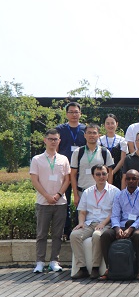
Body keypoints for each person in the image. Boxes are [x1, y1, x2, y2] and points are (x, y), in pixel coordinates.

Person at [30, 129, 70, 273]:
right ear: (45, 140)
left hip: (60, 202)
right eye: (51, 139)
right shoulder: (37, 159)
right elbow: (34, 180)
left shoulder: (63, 159)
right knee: (41, 234)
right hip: (43, 202)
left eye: (56, 139)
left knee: (57, 234)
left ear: (59, 141)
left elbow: (67, 179)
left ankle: (54, 261)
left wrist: (58, 195)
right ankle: (40, 262)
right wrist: (47, 196)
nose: (53, 141)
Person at [98, 169, 139, 280]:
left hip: (138, 225)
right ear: (125, 180)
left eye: (134, 179)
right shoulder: (119, 195)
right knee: (105, 235)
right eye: (128, 179)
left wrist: (130, 229)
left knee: (137, 235)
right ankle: (109, 268)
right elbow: (115, 215)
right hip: (121, 224)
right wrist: (117, 228)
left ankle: (137, 269)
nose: (131, 181)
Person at [70, 165, 120, 279]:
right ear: (93, 176)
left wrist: (103, 223)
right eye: (98, 174)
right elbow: (82, 212)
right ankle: (82, 268)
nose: (101, 176)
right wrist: (81, 223)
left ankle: (95, 268)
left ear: (108, 175)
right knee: (74, 235)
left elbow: (114, 212)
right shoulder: (87, 192)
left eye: (104, 174)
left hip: (106, 224)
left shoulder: (115, 191)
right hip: (89, 223)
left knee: (97, 236)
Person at [56, 102, 86, 239]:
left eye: (76, 112)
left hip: (82, 172)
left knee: (82, 201)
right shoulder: (60, 129)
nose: (74, 114)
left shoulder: (85, 129)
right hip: (64, 171)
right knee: (65, 201)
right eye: (71, 112)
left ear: (80, 113)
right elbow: (56, 149)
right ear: (67, 114)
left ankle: (80, 229)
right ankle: (65, 230)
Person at [70, 123, 114, 210]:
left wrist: (108, 192)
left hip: (100, 193)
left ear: (99, 135)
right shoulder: (78, 152)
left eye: (94, 133)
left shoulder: (104, 152)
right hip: (82, 192)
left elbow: (110, 172)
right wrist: (75, 194)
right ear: (85, 135)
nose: (92, 135)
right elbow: (73, 174)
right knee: (82, 217)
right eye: (89, 133)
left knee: (101, 217)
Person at [101, 113, 128, 189]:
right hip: (102, 173)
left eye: (112, 123)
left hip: (118, 173)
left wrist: (112, 172)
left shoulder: (122, 140)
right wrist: (106, 172)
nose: (110, 126)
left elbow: (123, 159)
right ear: (104, 125)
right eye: (108, 123)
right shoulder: (99, 140)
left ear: (117, 124)